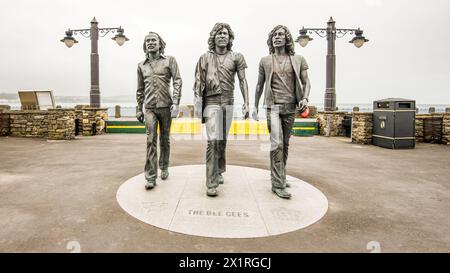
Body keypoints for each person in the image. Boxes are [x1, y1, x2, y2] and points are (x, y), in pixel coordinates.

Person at [252, 25, 311, 199]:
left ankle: (279, 176)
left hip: (291, 106)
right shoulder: (265, 61)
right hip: (273, 107)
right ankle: (277, 184)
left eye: (281, 34)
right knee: (276, 143)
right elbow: (259, 85)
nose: (277, 37)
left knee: (285, 144)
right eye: (274, 35)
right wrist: (254, 106)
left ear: (287, 39)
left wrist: (305, 98)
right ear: (271, 39)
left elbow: (306, 82)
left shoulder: (298, 59)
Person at [193, 23, 249, 197]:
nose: (222, 36)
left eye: (225, 33)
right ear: (213, 37)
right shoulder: (204, 58)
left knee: (222, 140)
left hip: (229, 101)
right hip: (211, 101)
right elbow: (198, 83)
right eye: (219, 33)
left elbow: (242, 80)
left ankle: (219, 169)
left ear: (230, 38)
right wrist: (198, 105)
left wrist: (247, 102)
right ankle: (211, 182)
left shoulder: (237, 57)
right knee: (213, 141)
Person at [136, 32, 182, 190]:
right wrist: (138, 109)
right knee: (150, 140)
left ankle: (164, 166)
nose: (150, 43)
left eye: (153, 40)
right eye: (147, 40)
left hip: (166, 107)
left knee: (164, 139)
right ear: (145, 45)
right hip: (149, 108)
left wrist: (176, 103)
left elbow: (177, 81)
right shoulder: (141, 65)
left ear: (160, 43)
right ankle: (150, 177)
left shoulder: (170, 61)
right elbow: (140, 89)